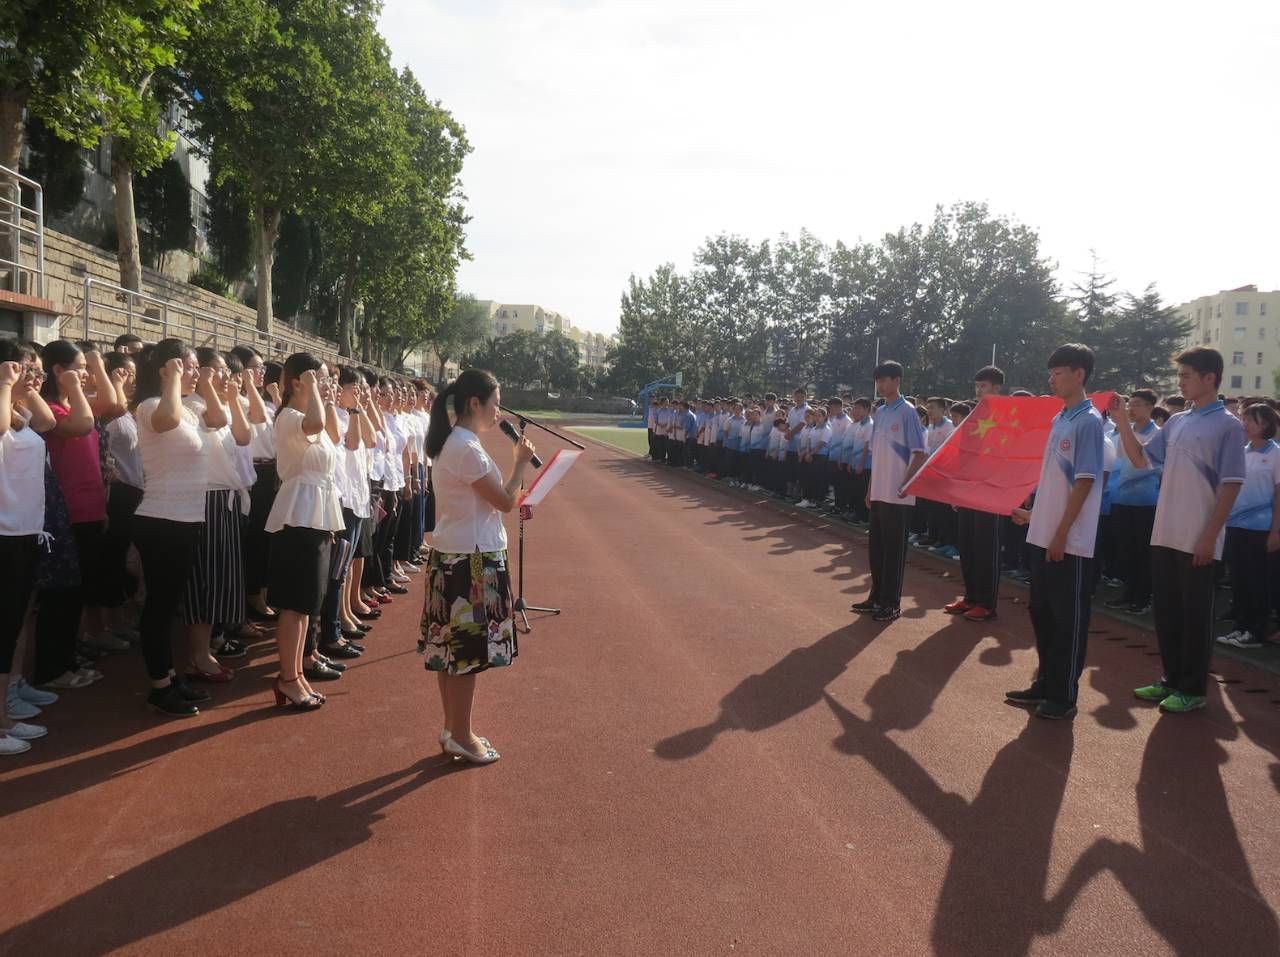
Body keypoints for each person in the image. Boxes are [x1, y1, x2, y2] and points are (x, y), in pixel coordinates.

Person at [1111, 347, 1245, 714]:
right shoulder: (1177, 421)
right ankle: (1171, 678)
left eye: (1186, 376)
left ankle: (1193, 688)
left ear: (1209, 379)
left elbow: (1231, 484)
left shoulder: (1228, 426)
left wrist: (1209, 536)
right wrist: (1122, 420)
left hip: (1198, 539)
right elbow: (1141, 459)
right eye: (1180, 375)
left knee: (1195, 615)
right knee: (1168, 611)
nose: (1180, 382)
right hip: (1165, 532)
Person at [421, 369, 534, 765]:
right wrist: (520, 463)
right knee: (466, 653)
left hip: (458, 555)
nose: (498, 411)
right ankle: (462, 734)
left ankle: (455, 729)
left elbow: (496, 499)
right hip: (470, 560)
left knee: (451, 651)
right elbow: (504, 501)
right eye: (495, 403)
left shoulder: (457, 442)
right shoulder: (466, 447)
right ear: (475, 404)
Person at [1007, 344, 1106, 719]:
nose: (1051, 379)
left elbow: (1084, 483)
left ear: (1079, 375)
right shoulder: (1060, 418)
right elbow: (1055, 484)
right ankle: (1045, 683)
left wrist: (1062, 532)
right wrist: (1034, 516)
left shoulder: (1088, 421)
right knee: (1042, 613)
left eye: (1059, 372)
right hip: (1043, 535)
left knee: (1069, 619)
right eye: (1051, 373)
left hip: (1069, 543)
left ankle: (1063, 697)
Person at [130, 339, 212, 717]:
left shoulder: (187, 409)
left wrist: (186, 381)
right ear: (167, 368)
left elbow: (218, 421)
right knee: (160, 608)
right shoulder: (150, 407)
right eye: (188, 365)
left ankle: (170, 674)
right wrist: (174, 379)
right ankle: (159, 687)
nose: (195, 372)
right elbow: (167, 419)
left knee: (169, 605)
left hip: (186, 520)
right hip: (162, 520)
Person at [851, 362, 928, 622]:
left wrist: (904, 484)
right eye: (877, 381)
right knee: (877, 548)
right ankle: (876, 596)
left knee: (894, 550)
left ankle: (891, 603)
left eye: (884, 380)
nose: (879, 385)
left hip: (898, 495)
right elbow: (876, 454)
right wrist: (870, 489)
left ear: (897, 380)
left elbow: (919, 453)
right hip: (880, 492)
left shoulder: (908, 413)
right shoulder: (881, 413)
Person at [1216, 403, 1280, 649]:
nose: (1244, 423)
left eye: (1250, 419)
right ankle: (1240, 627)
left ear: (1264, 424)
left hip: (1261, 530)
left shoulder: (1275, 454)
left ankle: (1256, 631)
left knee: (1257, 581)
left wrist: (1275, 531)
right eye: (1243, 418)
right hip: (1236, 526)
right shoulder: (1242, 452)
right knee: (1240, 579)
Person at [949, 367, 1004, 622]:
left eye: (984, 386)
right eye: (977, 386)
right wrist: (957, 490)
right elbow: (963, 454)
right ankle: (970, 597)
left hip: (989, 494)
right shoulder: (973, 415)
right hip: (968, 492)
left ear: (997, 388)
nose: (979, 390)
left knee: (986, 548)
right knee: (968, 545)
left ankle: (987, 603)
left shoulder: (1005, 417)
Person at [1104, 389, 1161, 615]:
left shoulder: (1157, 435)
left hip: (1146, 504)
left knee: (1142, 553)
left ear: (1149, 407)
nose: (1132, 409)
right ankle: (1128, 594)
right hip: (1121, 500)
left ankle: (1143, 598)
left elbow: (1155, 468)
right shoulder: (1124, 433)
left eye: (1137, 404)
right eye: (1131, 404)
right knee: (1125, 551)